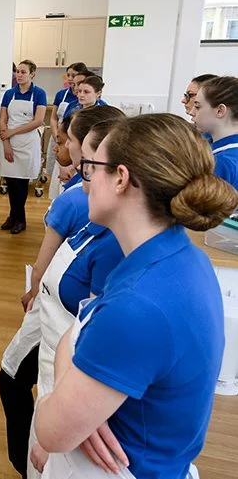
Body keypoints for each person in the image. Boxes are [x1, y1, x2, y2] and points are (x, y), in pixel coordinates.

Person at [31, 114, 238, 479]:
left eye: (93, 167)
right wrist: (79, 404)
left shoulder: (139, 306)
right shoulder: (176, 257)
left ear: (122, 178)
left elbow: (50, 431)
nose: (86, 179)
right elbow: (79, 330)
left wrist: (65, 402)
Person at [0, 107, 126, 479]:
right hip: (54, 345)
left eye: (88, 165)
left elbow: (97, 338)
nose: (75, 172)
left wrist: (55, 431)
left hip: (66, 368)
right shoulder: (95, 222)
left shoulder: (113, 242)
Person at [0, 59, 47, 234]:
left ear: (32, 74)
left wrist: (13, 132)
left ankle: (20, 218)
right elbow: (3, 119)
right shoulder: (9, 93)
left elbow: (38, 120)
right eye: (17, 71)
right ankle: (13, 216)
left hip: (27, 142)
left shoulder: (39, 93)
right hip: (9, 142)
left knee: (22, 182)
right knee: (11, 181)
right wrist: (6, 142)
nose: (18, 75)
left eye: (23, 72)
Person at [190, 76, 238, 188]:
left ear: (220, 111)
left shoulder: (221, 163)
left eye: (197, 106)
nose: (192, 112)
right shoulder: (210, 142)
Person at [47, 62, 88, 177]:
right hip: (59, 136)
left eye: (73, 76)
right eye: (68, 75)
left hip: (73, 142)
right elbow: (54, 118)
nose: (70, 79)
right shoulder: (62, 95)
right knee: (57, 172)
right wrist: (57, 137)